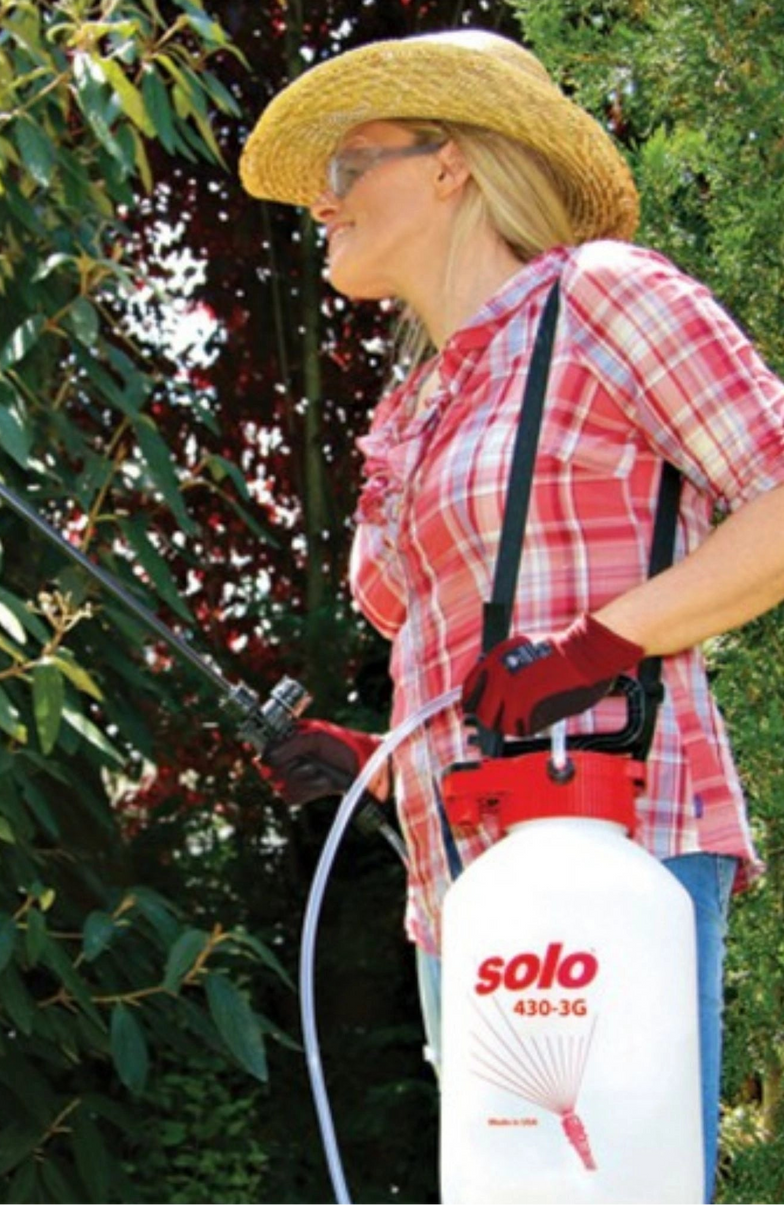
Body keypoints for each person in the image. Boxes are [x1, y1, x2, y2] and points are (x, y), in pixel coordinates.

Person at [240, 28, 784, 1204]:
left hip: (614, 831)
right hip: (461, 885)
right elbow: (471, 662)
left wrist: (599, 643)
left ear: (449, 165)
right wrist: (376, 762)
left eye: (348, 169)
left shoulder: (603, 297)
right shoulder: (419, 404)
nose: (322, 204)